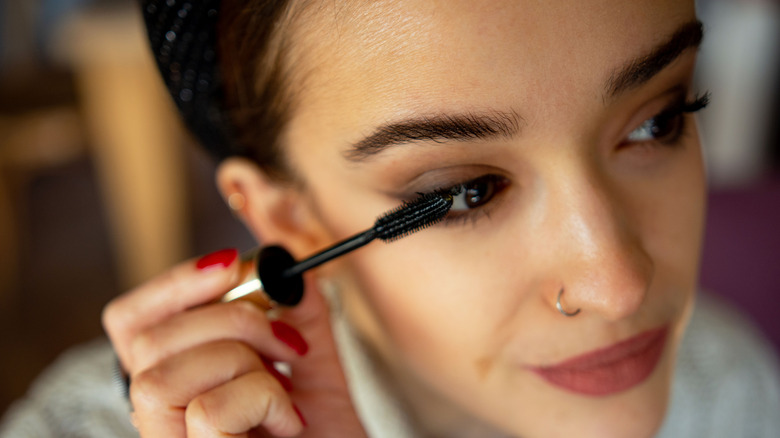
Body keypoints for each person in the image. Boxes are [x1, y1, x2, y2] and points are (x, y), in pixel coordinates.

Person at [2, 0, 780, 437]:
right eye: (470, 190)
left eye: (658, 121)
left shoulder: (729, 387)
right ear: (288, 218)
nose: (618, 286)